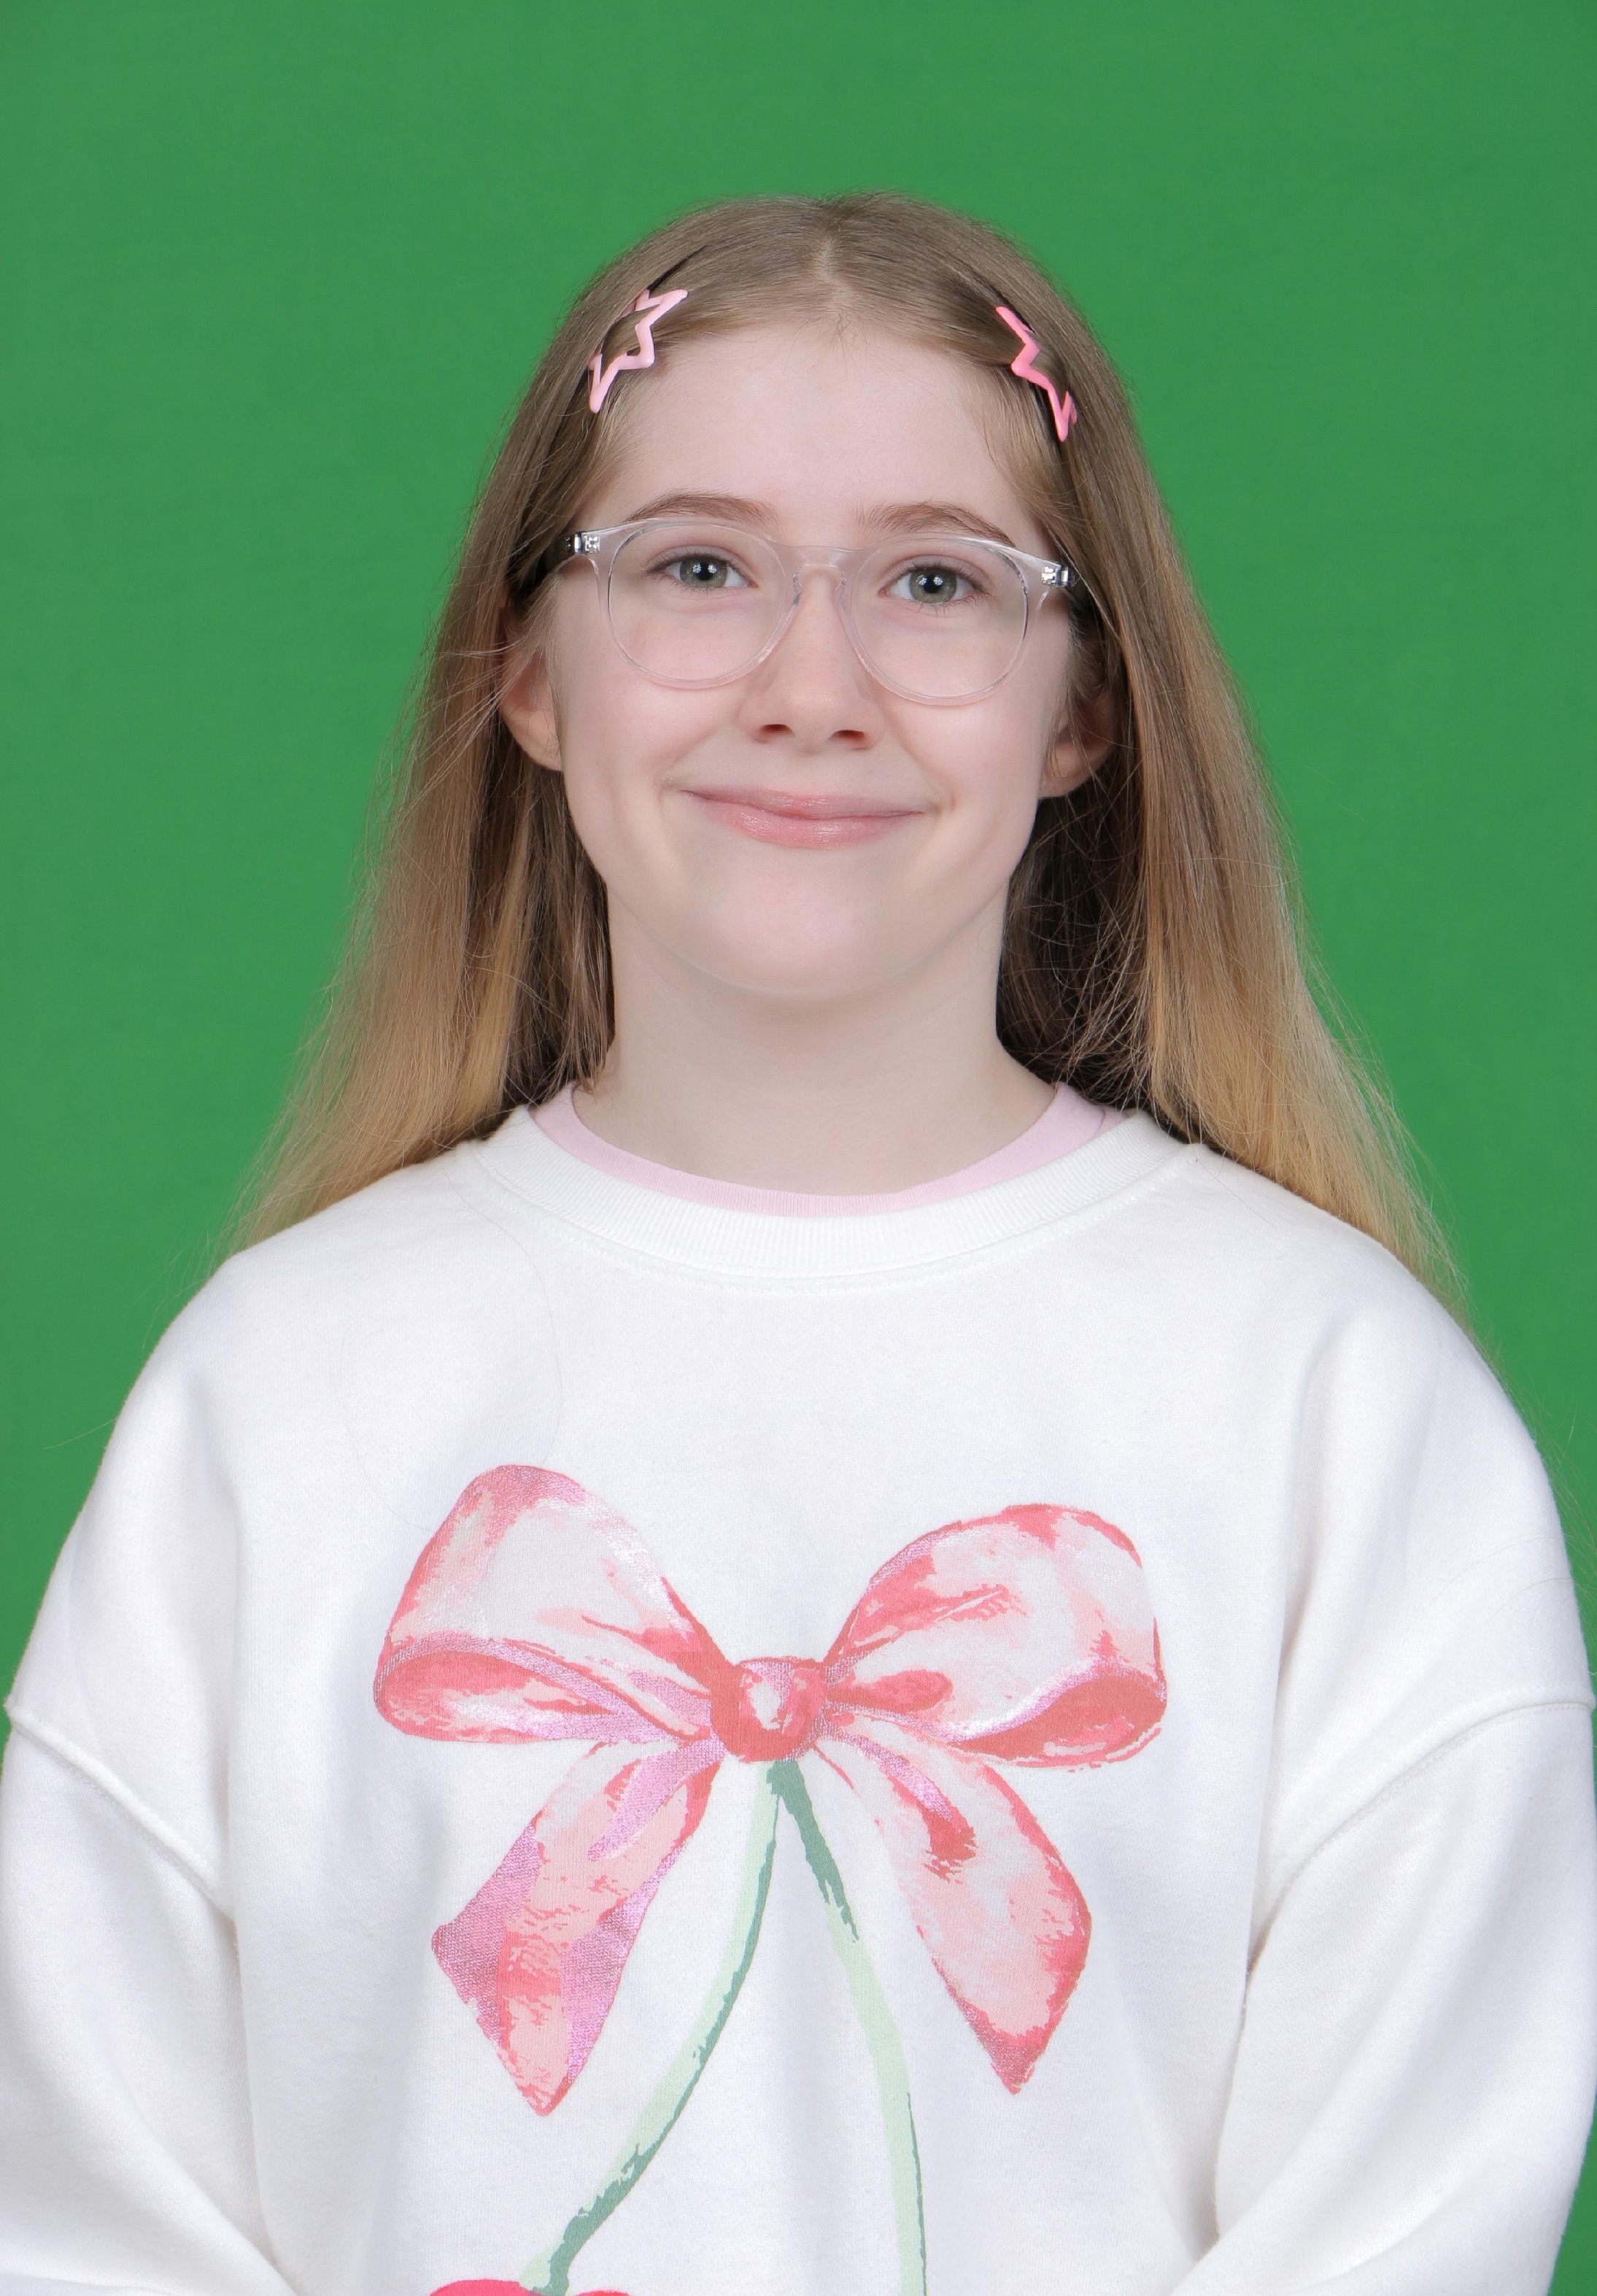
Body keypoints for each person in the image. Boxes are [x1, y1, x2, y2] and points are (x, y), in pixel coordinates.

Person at [1, 191, 1591, 2296]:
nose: (811, 684)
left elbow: (1407, 2221)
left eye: (936, 580)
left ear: (1083, 707)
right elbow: (81, 2197)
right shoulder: (275, 1392)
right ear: (531, 674)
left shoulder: (1336, 1406)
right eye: (698, 568)